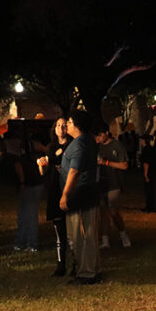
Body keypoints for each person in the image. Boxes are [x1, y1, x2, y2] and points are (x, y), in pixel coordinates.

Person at [60, 110, 101, 284]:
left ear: (76, 125)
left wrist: (65, 194)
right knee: (86, 234)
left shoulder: (80, 144)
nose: (66, 125)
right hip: (86, 193)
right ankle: (91, 269)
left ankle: (87, 273)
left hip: (81, 194)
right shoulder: (86, 141)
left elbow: (75, 171)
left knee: (81, 235)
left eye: (69, 122)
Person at [37, 117, 72, 275]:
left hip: (70, 190)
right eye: (58, 125)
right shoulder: (51, 147)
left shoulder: (73, 145)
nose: (61, 128)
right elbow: (44, 172)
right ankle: (61, 264)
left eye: (64, 125)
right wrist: (41, 165)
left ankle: (77, 264)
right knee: (60, 230)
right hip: (55, 191)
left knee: (72, 231)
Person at [96, 126, 131, 247]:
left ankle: (123, 235)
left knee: (113, 211)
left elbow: (125, 165)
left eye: (100, 135)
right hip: (101, 183)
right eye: (97, 136)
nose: (99, 138)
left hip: (114, 183)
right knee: (102, 213)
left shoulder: (117, 145)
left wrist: (106, 163)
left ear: (107, 133)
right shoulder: (98, 147)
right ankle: (105, 240)